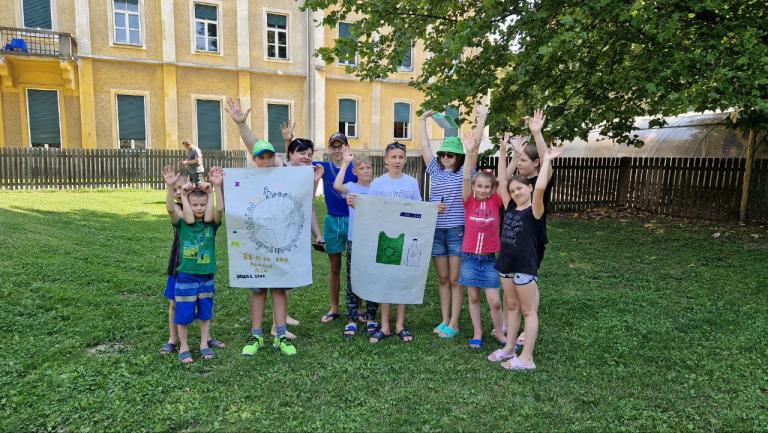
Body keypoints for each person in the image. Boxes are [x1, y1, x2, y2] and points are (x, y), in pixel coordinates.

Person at [487, 146, 564, 370]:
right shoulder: (510, 207)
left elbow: (540, 188)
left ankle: (527, 358)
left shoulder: (535, 211)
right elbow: (502, 182)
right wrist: (502, 154)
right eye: (513, 191)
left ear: (528, 188)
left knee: (528, 311)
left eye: (520, 188)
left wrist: (547, 160)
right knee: (511, 305)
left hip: (525, 268)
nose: (516, 193)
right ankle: (510, 348)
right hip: (506, 264)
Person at [356, 142, 423, 344]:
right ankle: (384, 326)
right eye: (393, 157)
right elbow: (371, 210)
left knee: (402, 279)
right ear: (386, 159)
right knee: (385, 279)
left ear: (405, 159)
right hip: (385, 240)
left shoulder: (411, 182)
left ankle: (400, 325)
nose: (397, 161)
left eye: (400, 157)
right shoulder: (378, 184)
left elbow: (419, 209)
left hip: (405, 238)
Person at [237, 140, 299, 356]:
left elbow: (298, 199)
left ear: (275, 158)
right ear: (254, 160)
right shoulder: (244, 181)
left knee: (279, 288)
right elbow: (234, 208)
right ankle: (256, 335)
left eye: (269, 157)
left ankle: (280, 335)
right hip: (256, 244)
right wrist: (218, 184)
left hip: (279, 242)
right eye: (261, 157)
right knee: (258, 289)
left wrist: (314, 181)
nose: (265, 161)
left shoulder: (284, 179)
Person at [418, 109, 476, 339]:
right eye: (442, 154)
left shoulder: (465, 172)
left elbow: (474, 152)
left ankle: (454, 322)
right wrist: (422, 121)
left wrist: (474, 138)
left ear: (459, 157)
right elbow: (424, 147)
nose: (444, 158)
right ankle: (444, 320)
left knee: (454, 279)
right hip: (436, 230)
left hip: (456, 230)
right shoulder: (435, 170)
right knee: (442, 279)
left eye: (450, 155)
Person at [503, 110, 555, 351]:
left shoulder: (539, 181)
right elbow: (504, 180)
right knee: (515, 282)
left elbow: (546, 161)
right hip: (515, 240)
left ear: (535, 163)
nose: (521, 163)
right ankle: (513, 324)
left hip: (533, 239)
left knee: (529, 279)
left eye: (524, 160)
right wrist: (512, 153)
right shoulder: (517, 185)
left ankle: (528, 322)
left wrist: (537, 133)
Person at [159, 166, 225, 355]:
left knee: (205, 312)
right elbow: (171, 208)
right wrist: (171, 188)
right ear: (188, 203)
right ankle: (183, 345)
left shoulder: (211, 226)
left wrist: (215, 188)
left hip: (206, 276)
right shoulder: (182, 225)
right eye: (195, 205)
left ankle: (204, 343)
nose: (199, 208)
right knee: (183, 312)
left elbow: (219, 209)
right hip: (185, 276)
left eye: (202, 205)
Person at [458, 117, 508, 350]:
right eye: (479, 186)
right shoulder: (468, 201)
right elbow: (466, 177)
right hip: (469, 257)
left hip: (488, 260)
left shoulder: (496, 201)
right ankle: (477, 332)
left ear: (491, 189)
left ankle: (499, 332)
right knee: (474, 298)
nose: (482, 190)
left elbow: (504, 179)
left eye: (486, 187)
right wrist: (469, 154)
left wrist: (504, 149)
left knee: (495, 301)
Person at [332, 146, 378, 338]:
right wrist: (345, 163)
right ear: (355, 171)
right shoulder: (351, 187)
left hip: (374, 240)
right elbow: (336, 186)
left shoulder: (378, 188)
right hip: (355, 239)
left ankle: (371, 316)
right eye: (362, 168)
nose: (366, 170)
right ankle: (351, 318)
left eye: (369, 167)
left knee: (373, 278)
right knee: (353, 278)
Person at [316, 132, 358, 324]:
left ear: (347, 147)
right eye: (333, 146)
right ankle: (334, 307)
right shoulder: (322, 167)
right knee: (335, 267)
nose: (337, 149)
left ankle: (358, 307)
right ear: (328, 149)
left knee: (356, 267)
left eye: (340, 145)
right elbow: (295, 165)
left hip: (353, 220)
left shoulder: (355, 168)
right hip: (332, 221)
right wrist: (287, 141)